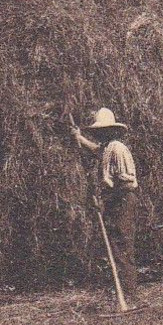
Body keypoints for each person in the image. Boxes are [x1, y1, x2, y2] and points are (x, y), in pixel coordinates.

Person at [70, 107, 140, 304]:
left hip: (123, 200)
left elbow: (126, 182)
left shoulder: (117, 148)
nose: (99, 134)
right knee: (115, 247)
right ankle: (120, 295)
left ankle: (128, 296)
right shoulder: (106, 147)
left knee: (122, 247)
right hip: (114, 201)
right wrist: (79, 137)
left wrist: (105, 199)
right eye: (97, 132)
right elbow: (95, 150)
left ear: (112, 130)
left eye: (102, 131)